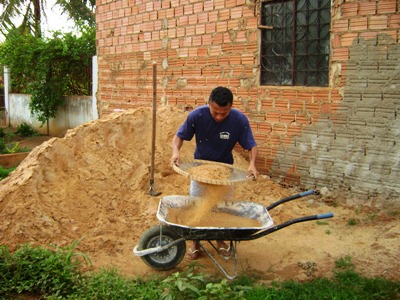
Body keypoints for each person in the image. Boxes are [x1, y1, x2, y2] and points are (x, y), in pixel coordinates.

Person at [170, 86, 259, 259]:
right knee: (199, 205)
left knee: (222, 208)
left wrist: (253, 164)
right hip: (200, 171)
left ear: (231, 107)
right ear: (209, 104)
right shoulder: (198, 115)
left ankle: (220, 240)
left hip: (225, 173)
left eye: (223, 113)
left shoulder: (239, 120)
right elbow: (179, 136)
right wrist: (175, 152)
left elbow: (251, 145)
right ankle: (196, 243)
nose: (219, 116)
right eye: (215, 112)